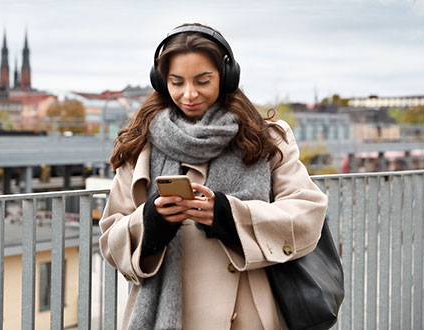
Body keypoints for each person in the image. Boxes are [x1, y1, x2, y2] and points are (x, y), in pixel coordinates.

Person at [99, 23, 328, 330]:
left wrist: (228, 216)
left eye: (203, 81)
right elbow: (111, 235)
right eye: (176, 82)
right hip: (167, 315)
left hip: (248, 310)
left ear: (226, 77)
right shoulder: (140, 142)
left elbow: (307, 213)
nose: (189, 94)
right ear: (161, 81)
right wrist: (152, 223)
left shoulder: (267, 137)